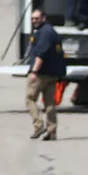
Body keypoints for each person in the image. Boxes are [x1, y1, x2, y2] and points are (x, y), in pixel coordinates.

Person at [26, 9, 67, 141]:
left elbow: (41, 54)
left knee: (29, 99)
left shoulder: (45, 33)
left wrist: (34, 72)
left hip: (41, 74)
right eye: (32, 18)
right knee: (50, 104)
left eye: (36, 18)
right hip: (52, 74)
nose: (34, 21)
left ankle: (39, 125)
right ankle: (52, 131)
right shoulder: (51, 31)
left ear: (43, 18)